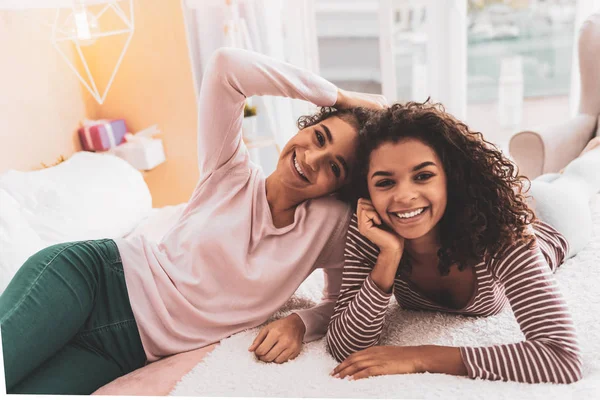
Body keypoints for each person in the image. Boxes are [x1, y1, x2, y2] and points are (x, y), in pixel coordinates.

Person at [0, 47, 387, 394]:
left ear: (339, 186)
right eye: (319, 137)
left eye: (334, 167)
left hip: (123, 350)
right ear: (303, 128)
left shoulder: (332, 225)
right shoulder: (229, 168)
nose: (312, 159)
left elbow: (339, 302)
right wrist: (344, 98)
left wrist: (301, 323)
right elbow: (226, 67)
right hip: (93, 279)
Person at [326, 101, 600, 384]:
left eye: (423, 176)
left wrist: (421, 356)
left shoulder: (501, 232)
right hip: (514, 204)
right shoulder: (372, 230)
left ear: (450, 178)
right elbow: (344, 346)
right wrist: (388, 257)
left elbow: (562, 358)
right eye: (385, 182)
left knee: (578, 181)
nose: (404, 196)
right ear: (367, 189)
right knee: (554, 178)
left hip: (554, 220)